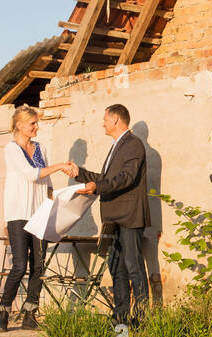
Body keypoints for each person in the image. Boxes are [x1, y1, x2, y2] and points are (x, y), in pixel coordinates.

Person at [55, 104, 150, 325]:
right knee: (117, 267)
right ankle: (122, 320)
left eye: (106, 119)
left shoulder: (134, 145)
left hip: (129, 216)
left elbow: (126, 178)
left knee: (134, 266)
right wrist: (80, 174)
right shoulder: (117, 145)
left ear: (116, 120)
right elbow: (106, 179)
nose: (103, 123)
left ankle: (144, 321)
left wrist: (96, 187)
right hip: (113, 218)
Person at [0, 106, 65, 331]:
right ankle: (4, 311)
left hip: (40, 214)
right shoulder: (11, 149)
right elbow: (31, 174)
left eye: (36, 123)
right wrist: (60, 166)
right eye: (32, 123)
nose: (37, 127)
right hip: (17, 214)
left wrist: (52, 203)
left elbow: (47, 184)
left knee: (39, 265)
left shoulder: (40, 148)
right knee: (19, 265)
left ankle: (30, 314)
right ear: (19, 125)